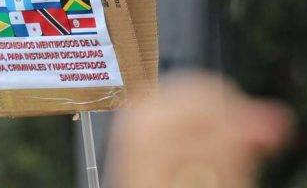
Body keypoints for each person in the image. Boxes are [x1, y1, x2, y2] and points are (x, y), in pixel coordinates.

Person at [106, 72, 293, 187]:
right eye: (267, 125)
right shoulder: (215, 100)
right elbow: (149, 114)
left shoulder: (240, 176)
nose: (260, 136)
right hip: (121, 134)